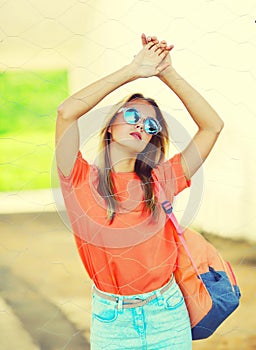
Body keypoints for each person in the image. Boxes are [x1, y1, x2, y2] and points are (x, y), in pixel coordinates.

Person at [55, 33, 224, 349]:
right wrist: (135, 69)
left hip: (168, 314)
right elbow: (67, 112)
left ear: (152, 140)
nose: (141, 125)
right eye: (132, 115)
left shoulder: (164, 178)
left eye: (151, 125)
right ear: (110, 124)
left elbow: (212, 126)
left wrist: (167, 72)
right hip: (111, 322)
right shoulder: (76, 177)